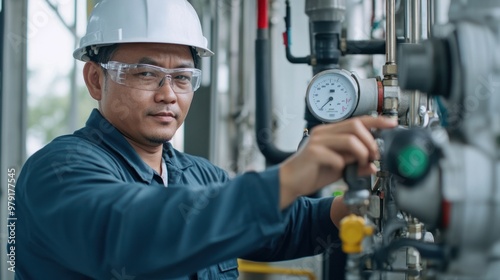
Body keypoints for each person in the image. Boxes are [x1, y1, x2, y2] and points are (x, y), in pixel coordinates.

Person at [14, 0, 397, 279]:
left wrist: (356, 206)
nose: (168, 94)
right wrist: (288, 177)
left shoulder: (197, 175)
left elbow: (289, 225)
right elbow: (131, 233)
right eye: (146, 74)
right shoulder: (58, 169)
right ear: (96, 79)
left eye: (182, 78)